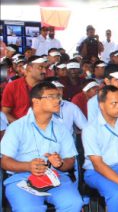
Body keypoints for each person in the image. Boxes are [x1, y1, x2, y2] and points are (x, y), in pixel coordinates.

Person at [0, 82, 83, 211]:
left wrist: (60, 163)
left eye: (58, 96)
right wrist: (27, 166)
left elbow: (70, 161)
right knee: (29, 209)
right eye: (51, 96)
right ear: (36, 101)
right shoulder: (16, 127)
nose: (58, 100)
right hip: (22, 178)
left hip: (55, 177)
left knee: (74, 203)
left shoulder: (61, 128)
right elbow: (5, 162)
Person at [2, 56, 47, 123]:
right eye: (40, 67)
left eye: (45, 68)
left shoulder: (48, 88)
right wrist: (21, 126)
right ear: (29, 68)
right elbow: (5, 113)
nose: (44, 71)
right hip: (19, 129)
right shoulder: (13, 86)